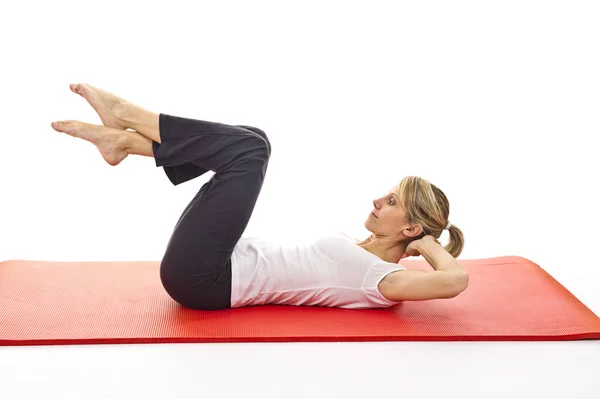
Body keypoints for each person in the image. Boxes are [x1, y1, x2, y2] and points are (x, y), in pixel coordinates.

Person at [51, 83, 469, 311]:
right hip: (215, 264)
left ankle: (125, 115)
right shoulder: (363, 252)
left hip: (205, 281)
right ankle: (124, 144)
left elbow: (454, 282)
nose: (379, 201)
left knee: (249, 152)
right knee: (256, 138)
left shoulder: (381, 280)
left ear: (411, 227)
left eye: (392, 202)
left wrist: (428, 243)